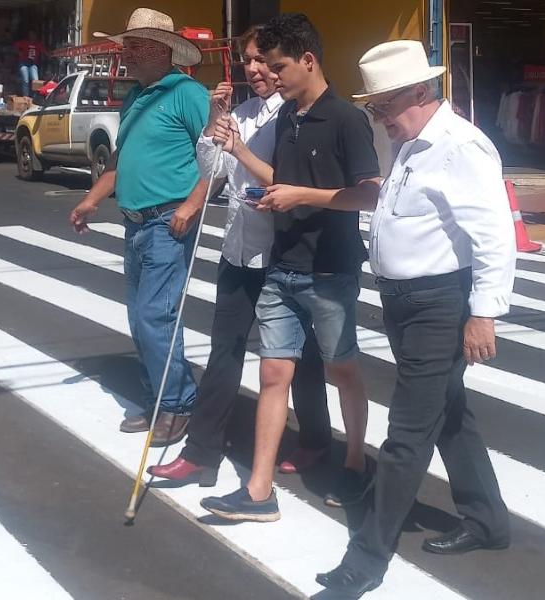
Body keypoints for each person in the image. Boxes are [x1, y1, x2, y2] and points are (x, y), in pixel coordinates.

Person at [277, 40, 515, 597]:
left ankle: (365, 559)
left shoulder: (461, 147)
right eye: (374, 109)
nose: (379, 119)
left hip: (439, 304)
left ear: (420, 92)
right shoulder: (412, 143)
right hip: (406, 302)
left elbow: (495, 237)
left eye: (384, 106)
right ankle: (487, 520)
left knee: (408, 432)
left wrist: (483, 313)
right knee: (449, 414)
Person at [200, 13, 381, 522]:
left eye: (278, 66)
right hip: (283, 264)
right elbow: (283, 176)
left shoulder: (346, 118)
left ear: (308, 60)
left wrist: (303, 196)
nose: (271, 76)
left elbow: (368, 195)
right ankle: (258, 491)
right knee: (274, 372)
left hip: (330, 269)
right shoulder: (287, 118)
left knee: (342, 370)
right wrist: (239, 153)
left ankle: (353, 463)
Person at [146, 26, 332, 486]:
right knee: (224, 350)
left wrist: (242, 151)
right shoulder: (242, 112)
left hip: (281, 256)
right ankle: (202, 454)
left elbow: (286, 179)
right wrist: (213, 125)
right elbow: (213, 175)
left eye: (262, 61)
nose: (254, 69)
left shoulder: (294, 117)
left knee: (300, 356)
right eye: (247, 60)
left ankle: (315, 439)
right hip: (238, 251)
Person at [69, 8, 208, 445]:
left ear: (158, 49)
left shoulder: (188, 93)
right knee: (140, 317)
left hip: (170, 221)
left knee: (155, 316)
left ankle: (177, 405)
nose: (123, 53)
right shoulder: (136, 96)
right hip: (135, 224)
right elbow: (119, 161)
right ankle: (160, 396)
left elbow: (217, 156)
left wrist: (191, 204)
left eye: (130, 46)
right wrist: (91, 199)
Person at [13, 30, 47, 97]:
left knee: (36, 81)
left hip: (33, 64)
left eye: (34, 34)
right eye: (31, 34)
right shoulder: (24, 42)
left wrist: (53, 54)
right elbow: (14, 46)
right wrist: (19, 52)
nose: (32, 36)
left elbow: (45, 52)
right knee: (25, 81)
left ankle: (35, 97)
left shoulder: (38, 44)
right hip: (23, 63)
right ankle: (26, 97)